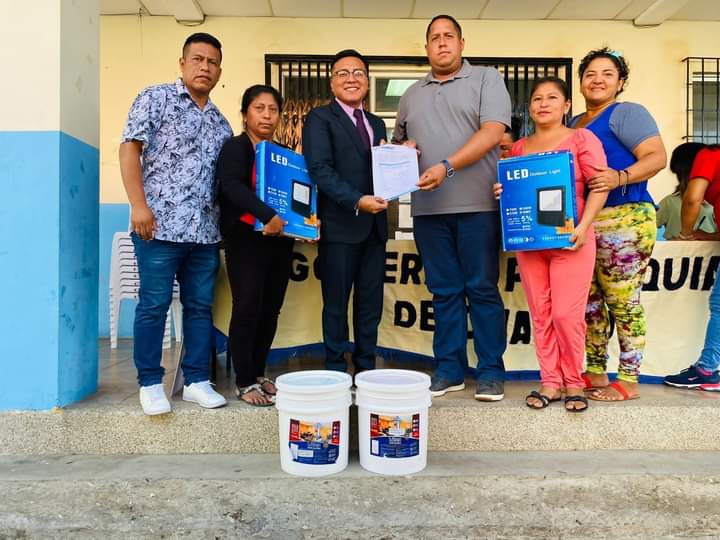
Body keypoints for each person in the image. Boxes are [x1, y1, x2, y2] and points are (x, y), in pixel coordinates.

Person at [393, 14, 512, 400]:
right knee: (443, 292)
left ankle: (490, 371)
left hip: (479, 207)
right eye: (434, 37)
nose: (442, 43)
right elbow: (400, 146)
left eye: (449, 36)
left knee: (481, 289)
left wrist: (447, 166)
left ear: (462, 43)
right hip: (429, 211)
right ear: (426, 47)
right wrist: (404, 150)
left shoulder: (487, 79)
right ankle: (449, 369)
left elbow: (493, 132)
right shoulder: (411, 94)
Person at [119, 33, 232, 415]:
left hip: (204, 233)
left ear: (219, 72)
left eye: (212, 62)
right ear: (182, 63)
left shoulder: (220, 123)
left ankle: (197, 380)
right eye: (197, 59)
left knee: (200, 307)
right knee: (153, 305)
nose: (205, 67)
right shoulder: (156, 98)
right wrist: (138, 205)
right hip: (158, 227)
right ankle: (150, 382)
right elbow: (129, 147)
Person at [493, 77, 609, 412]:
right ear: (529, 107)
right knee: (541, 314)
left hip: (571, 239)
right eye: (537, 99)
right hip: (531, 243)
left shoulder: (582, 138)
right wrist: (502, 193)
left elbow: (600, 185)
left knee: (565, 315)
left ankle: (574, 382)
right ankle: (551, 382)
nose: (543, 104)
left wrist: (584, 227)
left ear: (566, 105)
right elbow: (515, 193)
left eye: (552, 97)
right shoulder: (518, 148)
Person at [569, 47, 667, 402]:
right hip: (585, 223)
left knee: (623, 302)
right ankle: (595, 371)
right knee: (589, 303)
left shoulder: (626, 113)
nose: (597, 80)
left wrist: (619, 176)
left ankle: (628, 379)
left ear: (621, 82)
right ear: (581, 81)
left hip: (625, 217)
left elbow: (657, 156)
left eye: (607, 74)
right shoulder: (573, 123)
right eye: (590, 74)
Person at [302, 49, 388, 375]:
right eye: (343, 73)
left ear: (367, 80)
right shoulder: (320, 118)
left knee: (370, 306)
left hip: (375, 229)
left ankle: (366, 370)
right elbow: (320, 170)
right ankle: (336, 371)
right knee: (336, 306)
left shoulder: (376, 123)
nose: (351, 79)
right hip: (340, 228)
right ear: (332, 82)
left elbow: (382, 170)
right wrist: (357, 200)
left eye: (358, 73)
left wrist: (402, 157)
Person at [215, 85, 293, 406]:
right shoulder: (235, 148)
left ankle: (259, 372)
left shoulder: (282, 153)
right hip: (245, 239)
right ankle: (244, 380)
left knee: (270, 309)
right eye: (259, 108)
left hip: (279, 241)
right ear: (245, 114)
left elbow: (293, 195)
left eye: (273, 110)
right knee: (247, 306)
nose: (267, 115)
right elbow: (232, 187)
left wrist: (305, 222)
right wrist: (267, 215)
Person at [664, 143, 720, 390]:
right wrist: (709, 237)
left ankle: (707, 369)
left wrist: (685, 234)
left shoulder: (709, 155)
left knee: (719, 305)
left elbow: (691, 200)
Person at [656, 143, 718, 241]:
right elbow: (651, 223)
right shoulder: (669, 202)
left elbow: (692, 201)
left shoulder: (713, 202)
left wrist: (686, 236)